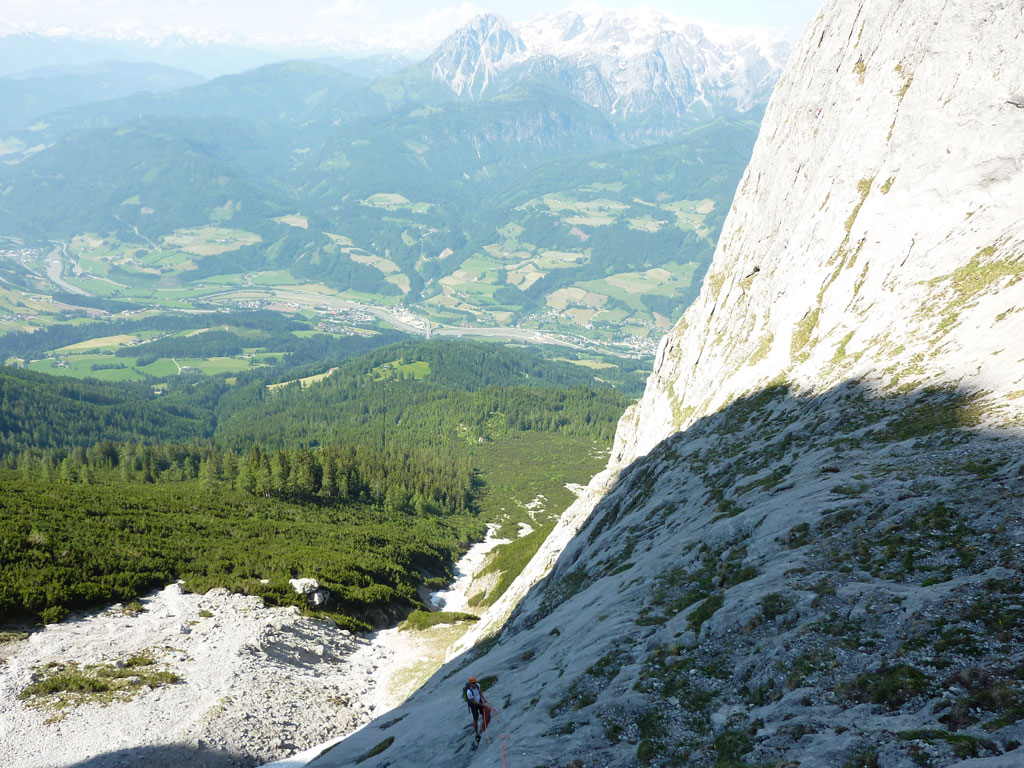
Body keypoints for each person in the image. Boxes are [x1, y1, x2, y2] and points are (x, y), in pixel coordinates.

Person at [464, 676, 490, 742]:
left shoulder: (478, 685)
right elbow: (474, 702)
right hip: (474, 705)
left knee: (484, 713)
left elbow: (480, 692)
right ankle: (477, 733)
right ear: (470, 684)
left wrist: (484, 699)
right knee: (475, 718)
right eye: (472, 683)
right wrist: (482, 704)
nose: (474, 684)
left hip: (479, 701)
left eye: (474, 682)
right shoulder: (469, 692)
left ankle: (482, 727)